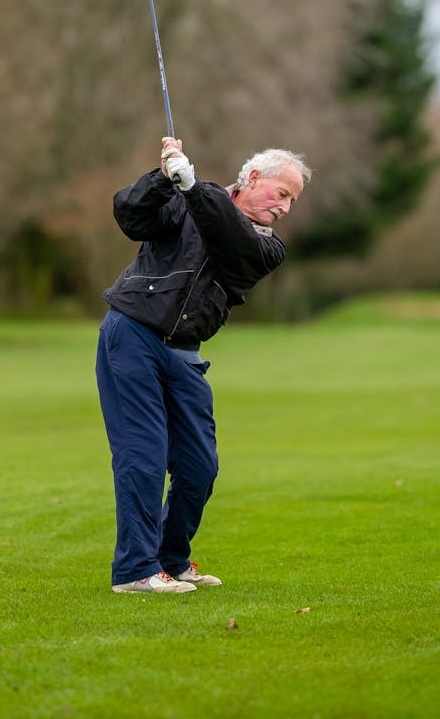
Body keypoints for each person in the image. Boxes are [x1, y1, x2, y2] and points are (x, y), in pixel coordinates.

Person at [96, 136, 310, 593]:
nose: (286, 208)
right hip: (133, 333)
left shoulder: (266, 247)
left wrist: (192, 187)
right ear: (253, 178)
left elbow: (229, 238)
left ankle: (171, 560)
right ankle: (135, 570)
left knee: (199, 466)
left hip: (184, 353)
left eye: (292, 200)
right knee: (144, 454)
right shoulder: (185, 194)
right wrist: (162, 178)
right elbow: (130, 216)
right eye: (283, 193)